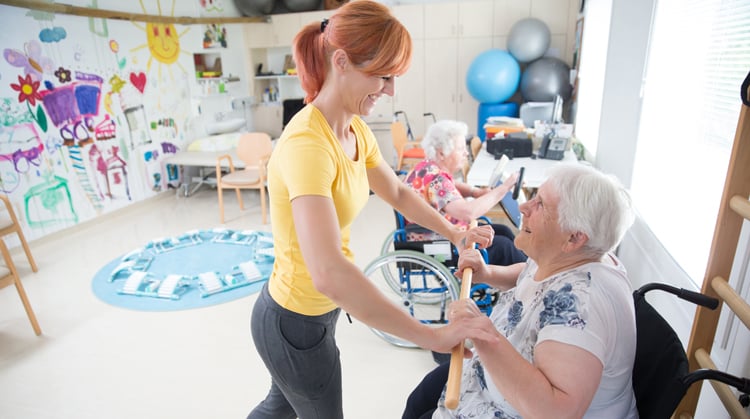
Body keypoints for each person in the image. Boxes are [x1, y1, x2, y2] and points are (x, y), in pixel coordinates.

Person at [248, 2, 498, 419]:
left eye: (393, 77)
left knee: (279, 410)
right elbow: (329, 272)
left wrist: (455, 234)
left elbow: (397, 192)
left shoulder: (353, 127)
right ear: (341, 62)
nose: (390, 90)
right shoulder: (308, 145)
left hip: (308, 316)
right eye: (383, 76)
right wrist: (430, 335)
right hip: (293, 321)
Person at [403, 163, 638, 419]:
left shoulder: (580, 306)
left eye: (541, 205)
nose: (524, 207)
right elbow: (529, 273)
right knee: (420, 398)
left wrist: (483, 334)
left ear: (574, 238)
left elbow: (555, 412)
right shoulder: (571, 254)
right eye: (534, 197)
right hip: (488, 382)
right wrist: (488, 273)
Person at [403, 119, 527, 267]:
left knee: (503, 231)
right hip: (441, 246)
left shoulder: (428, 167)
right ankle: (528, 277)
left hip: (440, 234)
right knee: (504, 247)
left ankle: (524, 267)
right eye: (460, 148)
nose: (466, 153)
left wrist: (476, 192)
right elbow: (468, 213)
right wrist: (504, 188)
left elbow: (451, 185)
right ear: (441, 153)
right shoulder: (437, 180)